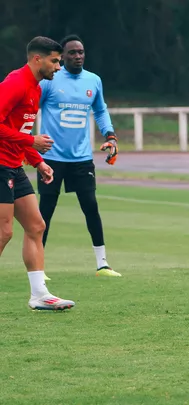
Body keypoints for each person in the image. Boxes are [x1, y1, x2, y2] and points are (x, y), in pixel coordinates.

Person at [0, 36, 75, 311]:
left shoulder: (37, 89)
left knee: (36, 226)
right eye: (55, 61)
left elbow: (22, 132)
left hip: (13, 165)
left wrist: (38, 161)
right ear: (37, 59)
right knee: (3, 232)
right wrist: (32, 144)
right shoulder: (16, 83)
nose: (59, 66)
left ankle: (39, 294)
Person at [37, 34, 121, 277]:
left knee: (91, 207)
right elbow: (31, 108)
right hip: (51, 158)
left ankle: (102, 263)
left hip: (81, 158)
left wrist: (111, 136)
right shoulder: (50, 80)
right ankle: (38, 267)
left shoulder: (93, 81)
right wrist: (27, 142)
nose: (78, 56)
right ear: (62, 57)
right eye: (72, 53)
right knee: (45, 211)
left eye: (81, 52)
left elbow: (100, 110)